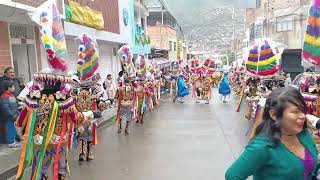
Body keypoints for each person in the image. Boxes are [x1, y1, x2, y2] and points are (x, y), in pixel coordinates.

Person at [225, 87, 318, 180]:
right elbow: (232, 175)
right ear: (274, 114)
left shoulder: (304, 134)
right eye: (295, 112)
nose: (302, 116)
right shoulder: (262, 147)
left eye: (303, 110)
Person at [0, 81, 21, 148]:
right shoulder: (4, 96)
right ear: (9, 88)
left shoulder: (11, 95)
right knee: (10, 129)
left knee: (13, 129)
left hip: (14, 116)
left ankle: (14, 141)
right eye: (13, 87)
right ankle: (11, 142)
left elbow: (15, 105)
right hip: (9, 117)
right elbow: (5, 108)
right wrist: (11, 115)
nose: (14, 88)